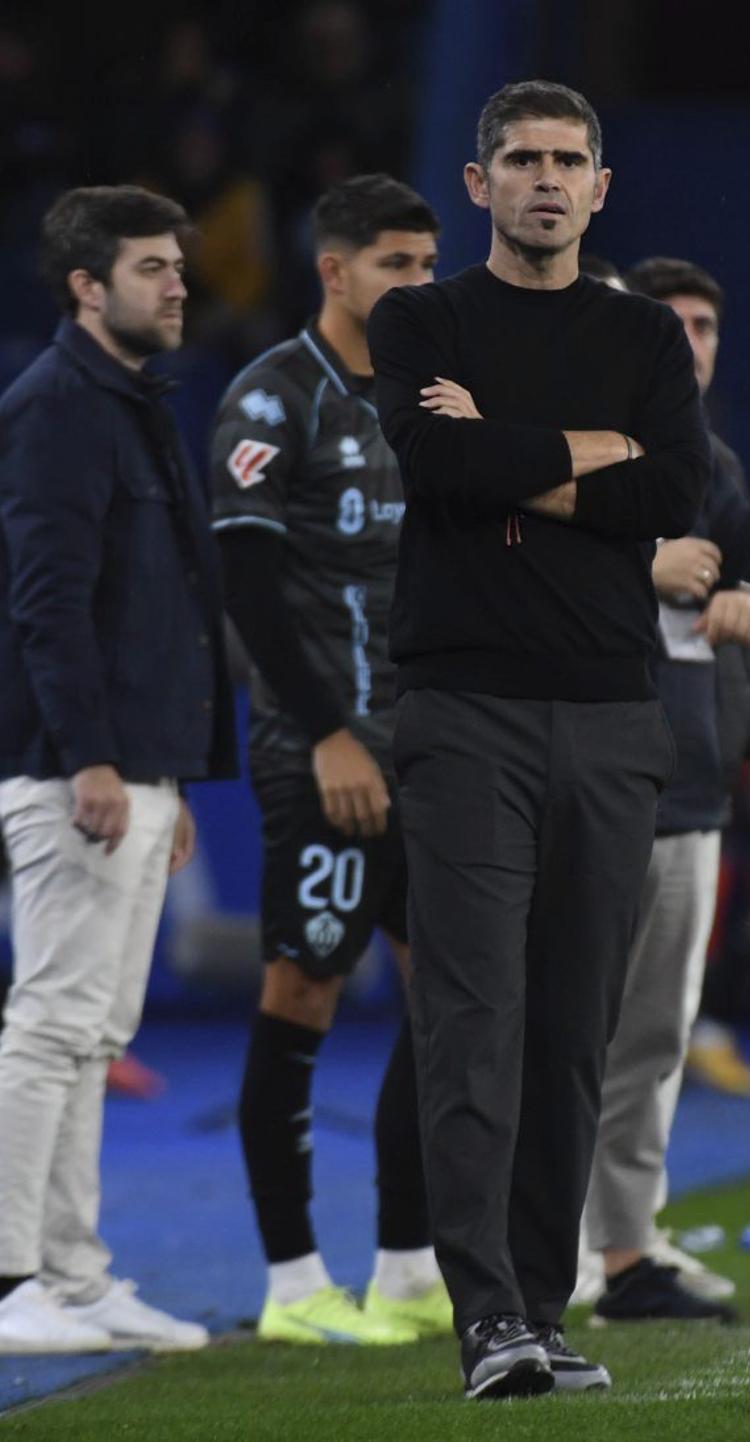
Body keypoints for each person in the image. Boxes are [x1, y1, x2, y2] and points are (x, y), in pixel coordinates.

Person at [367, 79, 710, 1398]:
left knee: (574, 1029)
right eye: (522, 159)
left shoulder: (643, 333)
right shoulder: (421, 317)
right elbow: (437, 466)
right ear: (480, 183)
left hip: (614, 712)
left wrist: (511, 452)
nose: (547, 179)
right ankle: (488, 1316)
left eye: (569, 160)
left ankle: (544, 1310)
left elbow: (671, 489)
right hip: (465, 712)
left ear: (601, 187)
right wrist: (593, 456)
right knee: (475, 1016)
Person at [210, 174, 452, 1345]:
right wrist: (328, 736)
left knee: (445, 996)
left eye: (428, 264)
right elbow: (249, 591)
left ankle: (407, 1266)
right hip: (324, 757)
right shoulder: (274, 396)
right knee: (302, 990)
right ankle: (294, 1280)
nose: (417, 284)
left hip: (433, 755)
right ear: (335, 270)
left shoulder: (432, 397)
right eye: (395, 264)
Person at [0, 185, 236, 1353]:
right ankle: (13, 1280)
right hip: (72, 769)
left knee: (96, 1030)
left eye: (178, 264)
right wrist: (93, 755)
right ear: (87, 288)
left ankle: (76, 1273)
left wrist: (168, 775)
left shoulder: (133, 401)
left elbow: (157, 605)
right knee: (53, 1021)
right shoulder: (56, 408)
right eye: (152, 267)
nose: (178, 283)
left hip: (133, 766)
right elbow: (47, 602)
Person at [578, 255, 750, 1323]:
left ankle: (627, 1244)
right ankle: (547, 1245)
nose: (690, 343)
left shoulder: (707, 456)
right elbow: (497, 565)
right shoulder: (559, 445)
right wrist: (643, 566)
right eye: (667, 323)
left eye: (706, 325)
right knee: (561, 1027)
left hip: (688, 783)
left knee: (655, 1035)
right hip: (584, 775)